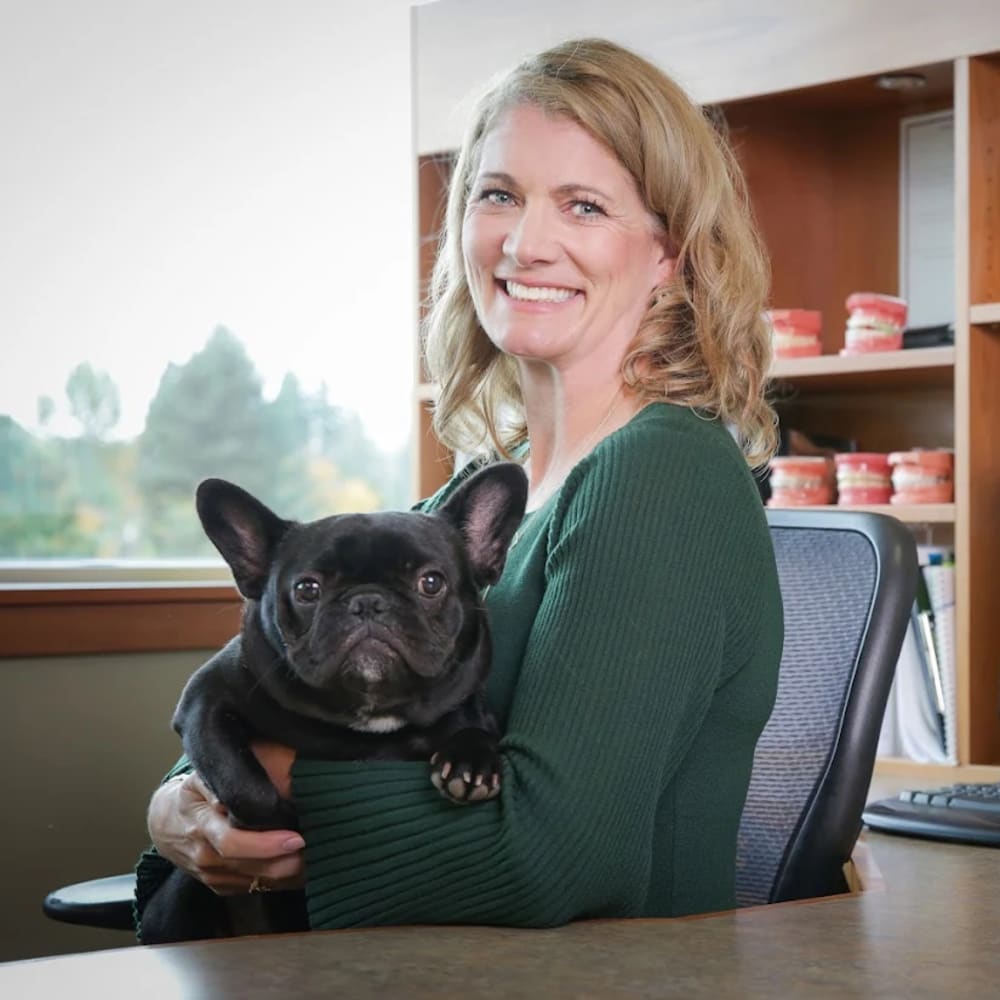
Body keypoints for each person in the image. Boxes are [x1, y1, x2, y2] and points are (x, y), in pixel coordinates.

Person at [137, 36, 783, 933]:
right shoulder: (474, 495)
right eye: (499, 196)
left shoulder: (660, 476)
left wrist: (272, 786)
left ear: (668, 254)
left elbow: (553, 859)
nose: (526, 242)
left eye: (585, 206)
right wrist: (184, 802)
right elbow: (261, 673)